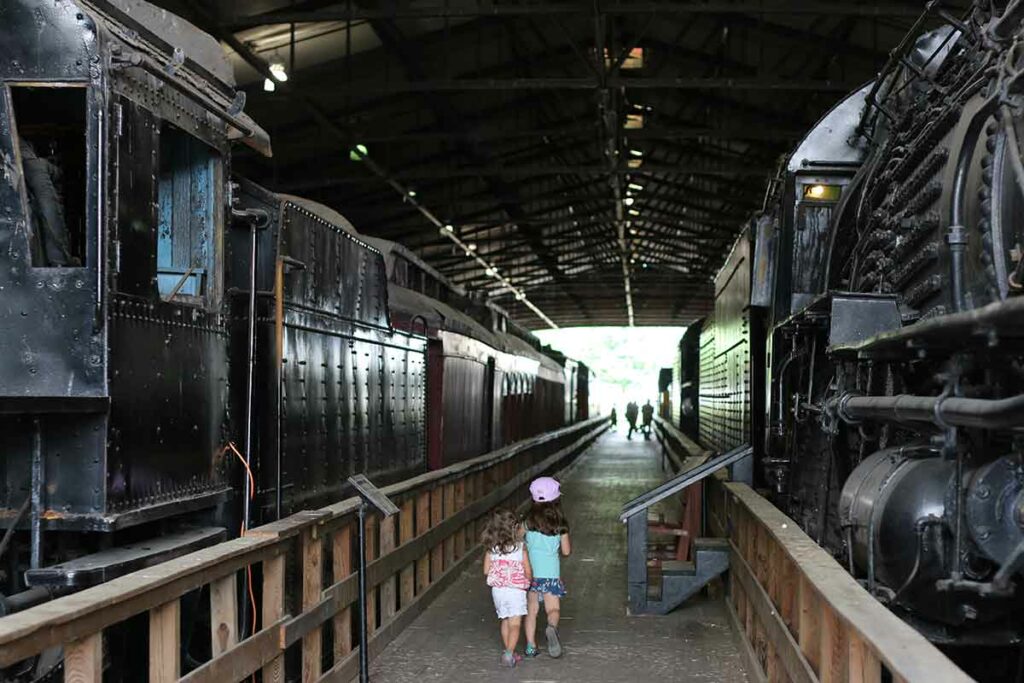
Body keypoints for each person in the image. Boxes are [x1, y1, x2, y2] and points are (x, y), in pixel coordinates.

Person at [523, 477, 571, 659]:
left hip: (531, 576)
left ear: (534, 499)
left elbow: (517, 540)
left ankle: (530, 647)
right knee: (553, 609)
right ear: (556, 500)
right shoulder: (560, 526)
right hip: (551, 576)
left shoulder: (527, 524)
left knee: (531, 611)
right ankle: (551, 628)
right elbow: (566, 552)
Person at [482, 508, 533, 668]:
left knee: (504, 620)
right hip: (516, 591)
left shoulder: (492, 549)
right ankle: (509, 653)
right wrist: (529, 582)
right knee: (515, 623)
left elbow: (485, 571)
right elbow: (528, 571)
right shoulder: (520, 548)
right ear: (514, 528)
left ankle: (509, 650)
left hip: (498, 591)